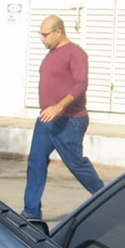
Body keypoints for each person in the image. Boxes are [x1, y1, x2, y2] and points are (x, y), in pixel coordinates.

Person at [23, 16, 104, 220]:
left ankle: (105, 198)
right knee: (36, 162)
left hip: (69, 120)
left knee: (76, 164)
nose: (42, 38)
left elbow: (80, 84)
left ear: (58, 32)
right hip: (46, 119)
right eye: (40, 34)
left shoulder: (75, 54)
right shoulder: (52, 54)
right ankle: (31, 211)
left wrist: (58, 107)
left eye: (45, 34)